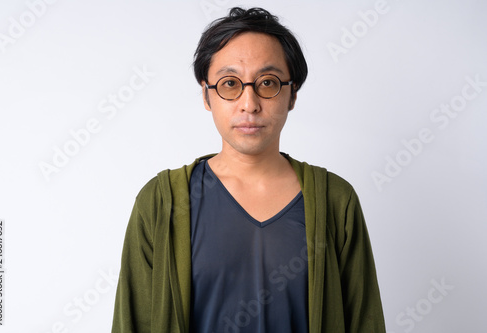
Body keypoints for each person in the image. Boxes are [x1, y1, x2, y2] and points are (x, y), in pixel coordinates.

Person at [112, 7, 386, 333]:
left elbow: (364, 322)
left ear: (292, 93)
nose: (249, 103)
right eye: (230, 84)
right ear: (206, 94)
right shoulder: (161, 202)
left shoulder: (335, 201)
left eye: (267, 82)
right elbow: (132, 322)